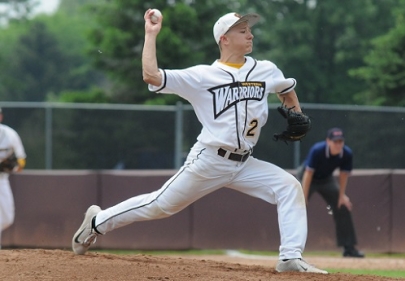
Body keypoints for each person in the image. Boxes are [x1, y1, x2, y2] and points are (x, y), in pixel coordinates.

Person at [72, 10, 328, 274]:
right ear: (224, 39)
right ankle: (97, 222)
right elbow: (151, 76)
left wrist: (296, 113)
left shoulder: (265, 69)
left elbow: (285, 88)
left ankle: (290, 257)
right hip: (209, 160)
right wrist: (150, 35)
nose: (250, 34)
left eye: (249, 29)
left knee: (288, 187)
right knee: (159, 205)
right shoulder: (202, 76)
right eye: (243, 31)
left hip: (245, 163)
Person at [298, 128, 365, 258]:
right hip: (307, 178)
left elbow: (343, 175)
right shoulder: (317, 150)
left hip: (326, 179)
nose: (338, 144)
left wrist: (341, 196)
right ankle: (291, 249)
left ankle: (349, 248)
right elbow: (308, 173)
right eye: (335, 142)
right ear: (328, 141)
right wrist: (304, 197)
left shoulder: (346, 153)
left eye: (341, 141)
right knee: (297, 207)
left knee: (343, 205)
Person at [0, 108, 26, 248]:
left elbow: (21, 160)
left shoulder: (10, 134)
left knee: (7, 218)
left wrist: (14, 167)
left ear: (1, 116)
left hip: (2, 179)